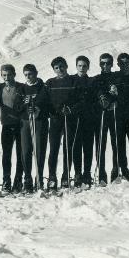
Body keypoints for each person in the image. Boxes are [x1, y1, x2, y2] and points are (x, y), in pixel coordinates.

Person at [45, 57, 83, 189]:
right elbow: (46, 101)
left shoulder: (74, 81)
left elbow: (81, 100)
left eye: (61, 66)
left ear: (66, 66)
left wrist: (71, 109)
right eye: (56, 68)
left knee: (68, 148)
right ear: (54, 70)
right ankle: (52, 177)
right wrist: (52, 111)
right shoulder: (50, 83)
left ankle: (66, 175)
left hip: (70, 118)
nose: (59, 69)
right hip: (56, 119)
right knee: (54, 148)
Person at [0, 64, 25, 193]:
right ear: (1, 76)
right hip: (6, 124)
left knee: (20, 153)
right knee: (7, 154)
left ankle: (18, 180)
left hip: (20, 124)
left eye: (9, 74)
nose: (7, 77)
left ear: (14, 74)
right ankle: (6, 180)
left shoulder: (21, 87)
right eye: (4, 75)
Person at [18, 64, 49, 192]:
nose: (28, 77)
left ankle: (39, 178)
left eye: (30, 74)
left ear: (36, 73)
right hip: (25, 122)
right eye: (25, 75)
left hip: (40, 121)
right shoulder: (22, 88)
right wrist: (24, 105)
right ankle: (27, 180)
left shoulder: (43, 86)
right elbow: (17, 107)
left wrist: (38, 108)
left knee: (39, 151)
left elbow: (48, 102)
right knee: (25, 151)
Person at [72, 55, 97, 187]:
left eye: (84, 66)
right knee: (76, 147)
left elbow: (95, 98)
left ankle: (87, 173)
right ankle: (77, 173)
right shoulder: (72, 80)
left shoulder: (92, 81)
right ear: (76, 66)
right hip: (75, 118)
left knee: (88, 146)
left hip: (89, 118)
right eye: (80, 65)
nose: (82, 68)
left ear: (88, 67)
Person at [94, 53, 118, 185]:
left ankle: (116, 172)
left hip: (114, 113)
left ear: (112, 64)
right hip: (102, 114)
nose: (105, 65)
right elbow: (95, 94)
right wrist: (103, 98)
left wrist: (116, 99)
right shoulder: (96, 79)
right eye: (103, 63)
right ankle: (101, 174)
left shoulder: (116, 77)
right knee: (100, 144)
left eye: (108, 63)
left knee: (116, 144)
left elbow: (122, 94)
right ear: (99, 64)